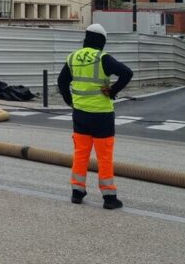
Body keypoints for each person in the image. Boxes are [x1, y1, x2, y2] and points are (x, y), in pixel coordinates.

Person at [57, 23, 133, 209]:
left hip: (80, 114)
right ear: (102, 41)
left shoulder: (73, 57)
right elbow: (127, 73)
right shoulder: (102, 58)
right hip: (102, 116)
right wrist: (113, 90)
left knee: (80, 154)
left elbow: (62, 81)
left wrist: (70, 102)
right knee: (104, 156)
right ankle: (109, 197)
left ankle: (77, 191)